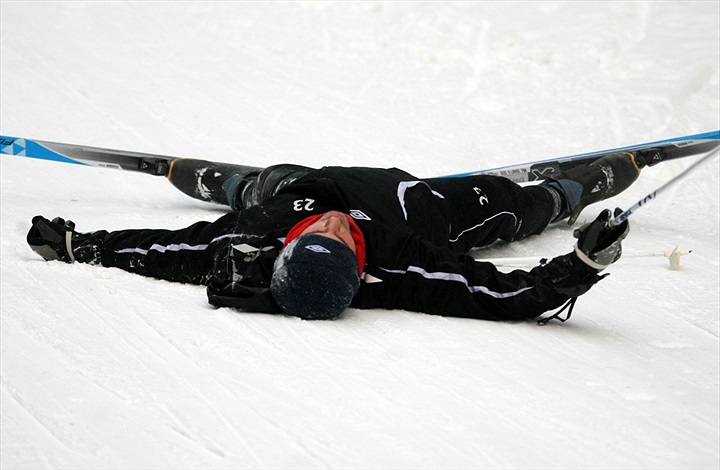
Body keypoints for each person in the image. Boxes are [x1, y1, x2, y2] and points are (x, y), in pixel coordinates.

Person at [26, 152, 640, 323]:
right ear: (359, 269)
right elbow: (498, 293)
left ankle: (235, 183)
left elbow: (162, 251)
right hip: (406, 204)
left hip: (303, 182)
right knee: (496, 209)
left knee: (275, 187)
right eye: (339, 241)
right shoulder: (400, 266)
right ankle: (567, 193)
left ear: (287, 253)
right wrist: (584, 260)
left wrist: (83, 245)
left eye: (316, 236)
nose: (332, 225)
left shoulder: (255, 242)